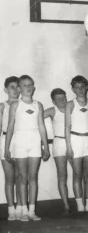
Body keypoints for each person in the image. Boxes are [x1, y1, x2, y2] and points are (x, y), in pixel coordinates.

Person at [5, 75, 50, 222]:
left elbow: (42, 127)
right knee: (22, 178)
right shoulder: (15, 105)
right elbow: (10, 127)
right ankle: (23, 210)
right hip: (19, 142)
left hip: (35, 142)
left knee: (33, 178)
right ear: (19, 88)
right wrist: (7, 148)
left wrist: (45, 146)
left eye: (30, 84)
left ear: (34, 87)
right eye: (24, 85)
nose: (28, 87)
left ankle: (32, 211)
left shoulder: (38, 105)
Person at [65, 76, 88, 212]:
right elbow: (66, 127)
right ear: (73, 89)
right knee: (77, 174)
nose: (80, 90)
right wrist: (68, 146)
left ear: (87, 87)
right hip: (75, 140)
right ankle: (79, 205)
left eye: (82, 86)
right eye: (77, 87)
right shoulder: (70, 104)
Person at [44, 88, 71, 214]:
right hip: (59, 143)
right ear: (53, 101)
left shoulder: (72, 107)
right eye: (58, 99)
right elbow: (35, 118)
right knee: (62, 176)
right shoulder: (52, 110)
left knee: (78, 174)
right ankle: (66, 206)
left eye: (63, 97)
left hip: (73, 141)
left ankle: (81, 204)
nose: (62, 100)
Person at [0, 76, 21, 221]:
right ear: (5, 90)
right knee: (9, 178)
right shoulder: (2, 106)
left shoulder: (24, 104)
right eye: (11, 87)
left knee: (21, 177)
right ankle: (11, 210)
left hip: (20, 140)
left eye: (17, 86)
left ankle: (21, 208)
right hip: (5, 140)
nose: (15, 90)